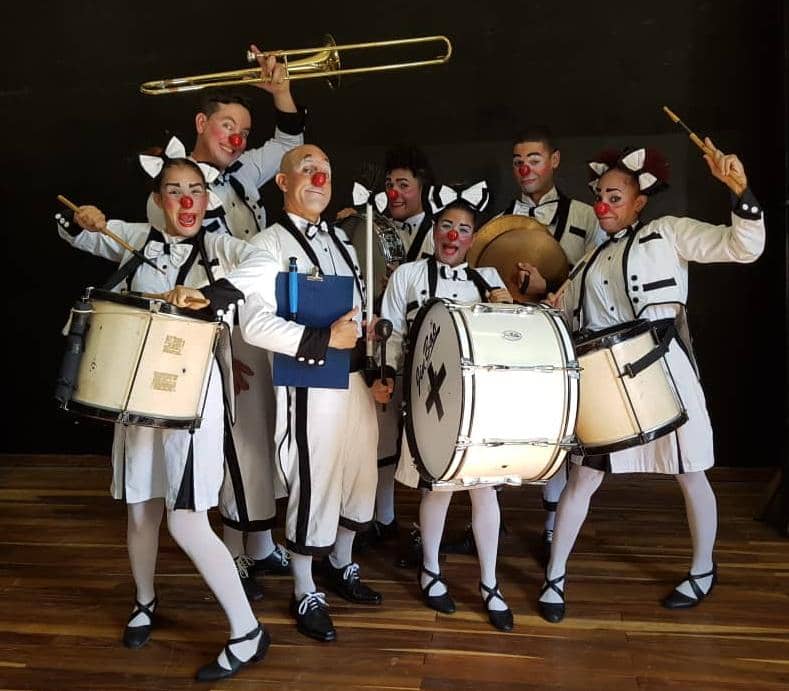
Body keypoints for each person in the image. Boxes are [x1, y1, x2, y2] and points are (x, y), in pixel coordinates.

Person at [57, 145, 280, 680]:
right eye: (175, 191)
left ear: (207, 199)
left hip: (193, 398)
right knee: (141, 507)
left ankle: (248, 631)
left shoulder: (223, 247)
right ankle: (144, 601)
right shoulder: (135, 238)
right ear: (159, 199)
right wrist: (81, 218)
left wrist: (211, 294)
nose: (186, 201)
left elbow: (266, 265)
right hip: (134, 396)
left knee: (185, 518)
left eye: (195, 191)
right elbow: (75, 230)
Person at [537, 140, 765, 623]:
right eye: (600, 195)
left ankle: (703, 569)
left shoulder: (668, 233)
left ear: (639, 202)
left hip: (665, 369)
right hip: (607, 381)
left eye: (614, 197)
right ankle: (555, 575)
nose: (603, 205)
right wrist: (539, 293)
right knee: (582, 478)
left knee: (691, 471)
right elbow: (561, 311)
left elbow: (743, 247)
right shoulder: (587, 262)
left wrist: (740, 192)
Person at [144, 50, 307, 599]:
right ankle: (235, 551)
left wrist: (280, 89)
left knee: (260, 436)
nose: (237, 139)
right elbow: (178, 275)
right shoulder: (169, 191)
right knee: (232, 443)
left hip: (256, 316)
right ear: (201, 123)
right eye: (227, 126)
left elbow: (288, 145)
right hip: (214, 325)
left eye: (243, 131)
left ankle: (257, 543)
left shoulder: (241, 173)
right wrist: (215, 351)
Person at [232, 144, 387, 642]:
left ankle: (340, 563)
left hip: (354, 380)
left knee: (359, 476)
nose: (320, 178)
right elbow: (254, 323)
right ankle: (304, 588)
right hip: (310, 380)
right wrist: (321, 340)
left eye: (326, 170)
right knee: (315, 482)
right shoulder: (268, 244)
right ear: (283, 182)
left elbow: (355, 317)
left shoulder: (344, 243)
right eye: (307, 168)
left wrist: (370, 343)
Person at [376, 181, 516, 631]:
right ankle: (431, 570)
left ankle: (490, 583)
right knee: (436, 487)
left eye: (464, 229)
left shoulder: (489, 280)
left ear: (473, 238)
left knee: (484, 489)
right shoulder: (408, 276)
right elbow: (392, 334)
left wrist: (508, 310)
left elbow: (507, 343)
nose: (453, 236)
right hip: (427, 398)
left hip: (480, 401)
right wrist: (386, 377)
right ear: (435, 229)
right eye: (446, 226)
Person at [501, 126, 607, 556]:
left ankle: (551, 526)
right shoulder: (499, 220)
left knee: (562, 431)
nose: (525, 168)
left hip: (565, 338)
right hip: (516, 338)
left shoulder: (586, 215)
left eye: (534, 159)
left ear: (555, 160)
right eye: (518, 161)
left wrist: (552, 288)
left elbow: (597, 273)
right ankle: (487, 521)